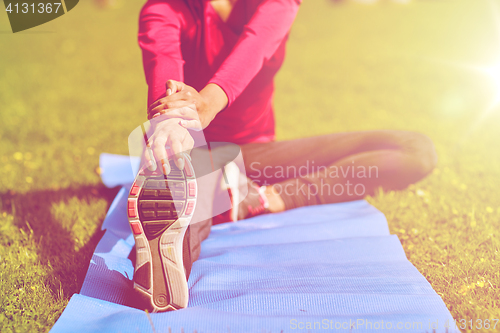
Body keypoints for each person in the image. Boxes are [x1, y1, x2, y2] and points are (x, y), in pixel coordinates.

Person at [127, 0, 437, 312]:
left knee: (416, 150)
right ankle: (164, 265)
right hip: (193, 155)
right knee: (187, 189)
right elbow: (163, 66)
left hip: (256, 155)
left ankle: (266, 197)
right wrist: (171, 119)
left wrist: (207, 103)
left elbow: (256, 44)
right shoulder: (164, 9)